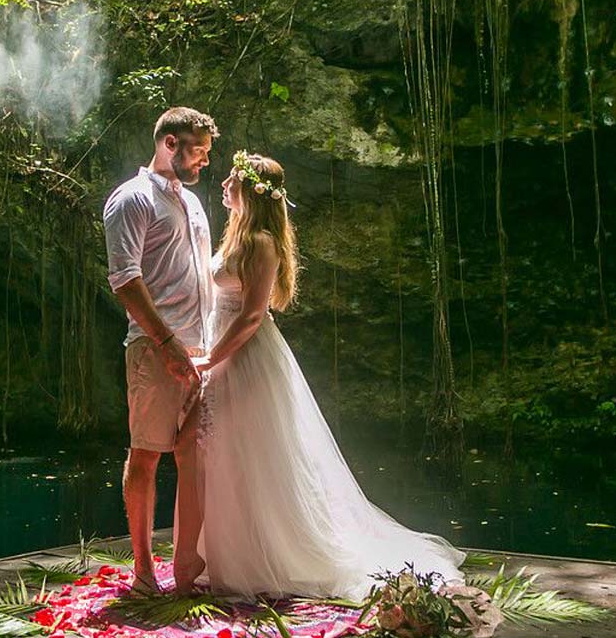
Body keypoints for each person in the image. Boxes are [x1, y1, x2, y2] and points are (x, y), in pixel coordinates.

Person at [187, 151, 465, 600]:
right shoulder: (235, 236)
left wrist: (211, 359)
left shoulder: (260, 242)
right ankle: (228, 554)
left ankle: (266, 556)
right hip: (222, 354)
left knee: (252, 453)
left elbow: (254, 315)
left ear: (253, 192)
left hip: (245, 358)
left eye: (232, 179)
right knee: (224, 453)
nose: (223, 183)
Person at [102, 107, 217, 595]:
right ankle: (145, 571)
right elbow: (124, 279)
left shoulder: (191, 202)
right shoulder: (130, 200)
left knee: (201, 455)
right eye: (199, 150)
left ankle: (194, 563)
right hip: (155, 349)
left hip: (204, 351)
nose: (205, 161)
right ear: (169, 144)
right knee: (147, 454)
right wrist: (167, 343)